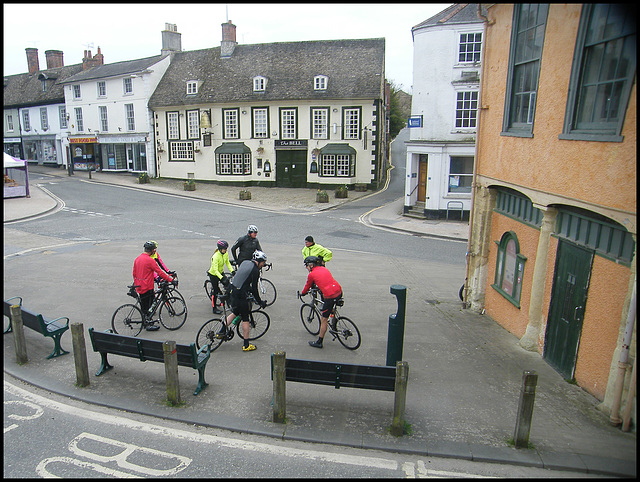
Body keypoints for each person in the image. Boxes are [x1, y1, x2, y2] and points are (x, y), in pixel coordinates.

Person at [217, 250, 268, 351]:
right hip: (240, 295)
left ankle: (221, 332)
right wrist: (259, 301)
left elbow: (242, 278)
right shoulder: (255, 270)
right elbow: (254, 288)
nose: (263, 265)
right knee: (245, 318)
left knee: (235, 312)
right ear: (260, 260)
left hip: (231, 291)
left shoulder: (245, 263)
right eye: (263, 262)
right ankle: (246, 345)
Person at [300, 255, 343, 348]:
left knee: (323, 319)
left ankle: (319, 342)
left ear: (311, 265)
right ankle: (333, 316)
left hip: (330, 296)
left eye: (307, 265)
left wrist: (302, 294)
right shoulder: (324, 269)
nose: (306, 268)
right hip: (339, 291)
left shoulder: (311, 274)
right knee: (327, 300)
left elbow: (307, 286)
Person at [133, 241, 175, 331]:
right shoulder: (150, 260)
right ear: (151, 250)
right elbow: (159, 272)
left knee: (144, 305)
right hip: (147, 286)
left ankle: (146, 320)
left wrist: (137, 283)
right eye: (154, 250)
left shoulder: (137, 259)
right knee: (149, 305)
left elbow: (134, 273)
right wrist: (171, 280)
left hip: (139, 286)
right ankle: (147, 324)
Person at [207, 239, 234, 314]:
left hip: (221, 273)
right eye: (224, 249)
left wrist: (232, 271)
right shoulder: (215, 256)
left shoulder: (225, 254)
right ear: (220, 249)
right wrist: (222, 278)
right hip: (213, 275)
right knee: (216, 291)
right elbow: (215, 270)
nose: (226, 250)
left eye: (226, 249)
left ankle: (228, 300)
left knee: (228, 285)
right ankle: (214, 308)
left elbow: (227, 263)